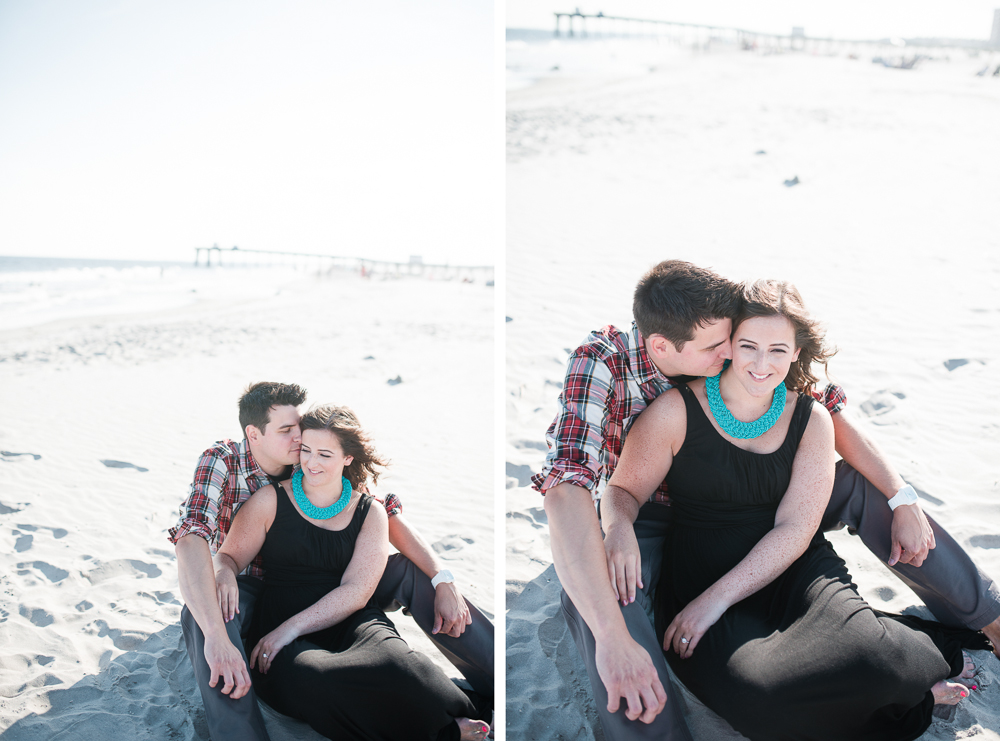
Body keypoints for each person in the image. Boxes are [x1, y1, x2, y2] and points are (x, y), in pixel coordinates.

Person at [534, 260, 1000, 740]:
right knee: (613, 594)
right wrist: (618, 528)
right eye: (729, 346)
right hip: (662, 520)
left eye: (742, 342)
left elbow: (825, 420)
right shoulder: (618, 367)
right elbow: (582, 484)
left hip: (777, 523)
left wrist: (903, 497)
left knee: (867, 491)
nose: (739, 357)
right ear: (664, 348)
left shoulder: (773, 375)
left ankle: (987, 615)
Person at [169, 382, 493, 741]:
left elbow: (383, 516)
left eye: (303, 433)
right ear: (254, 434)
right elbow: (195, 535)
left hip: (344, 592)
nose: (300, 446)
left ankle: (494, 678)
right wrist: (224, 571)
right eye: (291, 433)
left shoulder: (346, 488)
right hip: (257, 590)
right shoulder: (232, 467)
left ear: (345, 457)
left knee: (408, 585)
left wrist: (441, 577)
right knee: (208, 612)